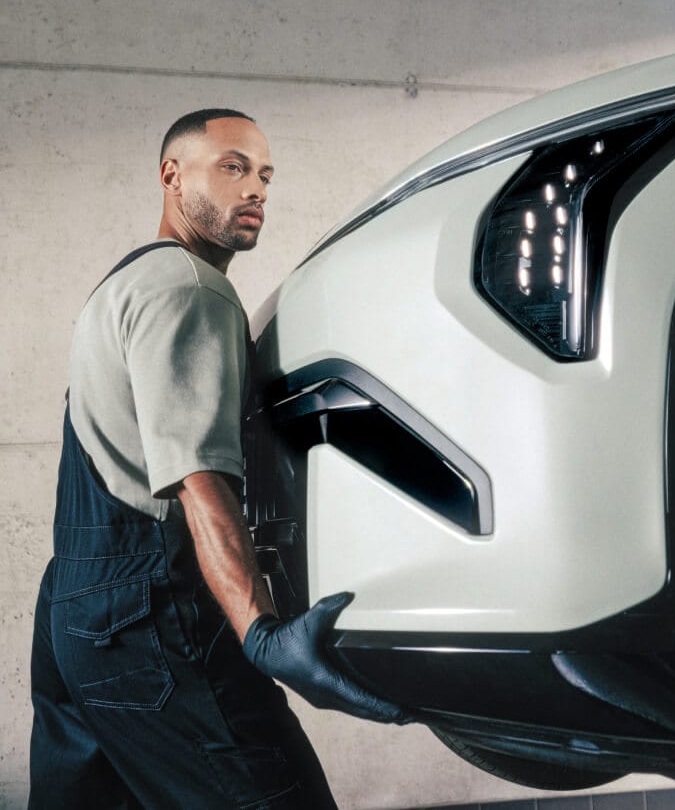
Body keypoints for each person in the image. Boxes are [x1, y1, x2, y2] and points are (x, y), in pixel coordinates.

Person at [28, 108, 405, 810]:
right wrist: (259, 631)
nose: (255, 188)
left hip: (75, 616)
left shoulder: (123, 284)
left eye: (264, 174)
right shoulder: (191, 290)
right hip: (150, 621)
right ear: (172, 176)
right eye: (232, 167)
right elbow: (199, 481)